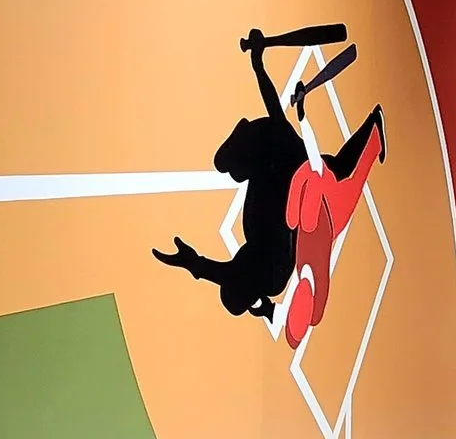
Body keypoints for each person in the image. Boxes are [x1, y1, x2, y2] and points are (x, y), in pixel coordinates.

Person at [155, 27, 384, 348]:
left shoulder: (265, 265)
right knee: (335, 166)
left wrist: (258, 65)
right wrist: (259, 66)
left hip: (281, 164)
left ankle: (373, 125)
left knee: (333, 165)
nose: (233, 262)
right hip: (291, 170)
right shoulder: (264, 237)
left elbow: (225, 274)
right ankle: (373, 125)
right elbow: (226, 274)